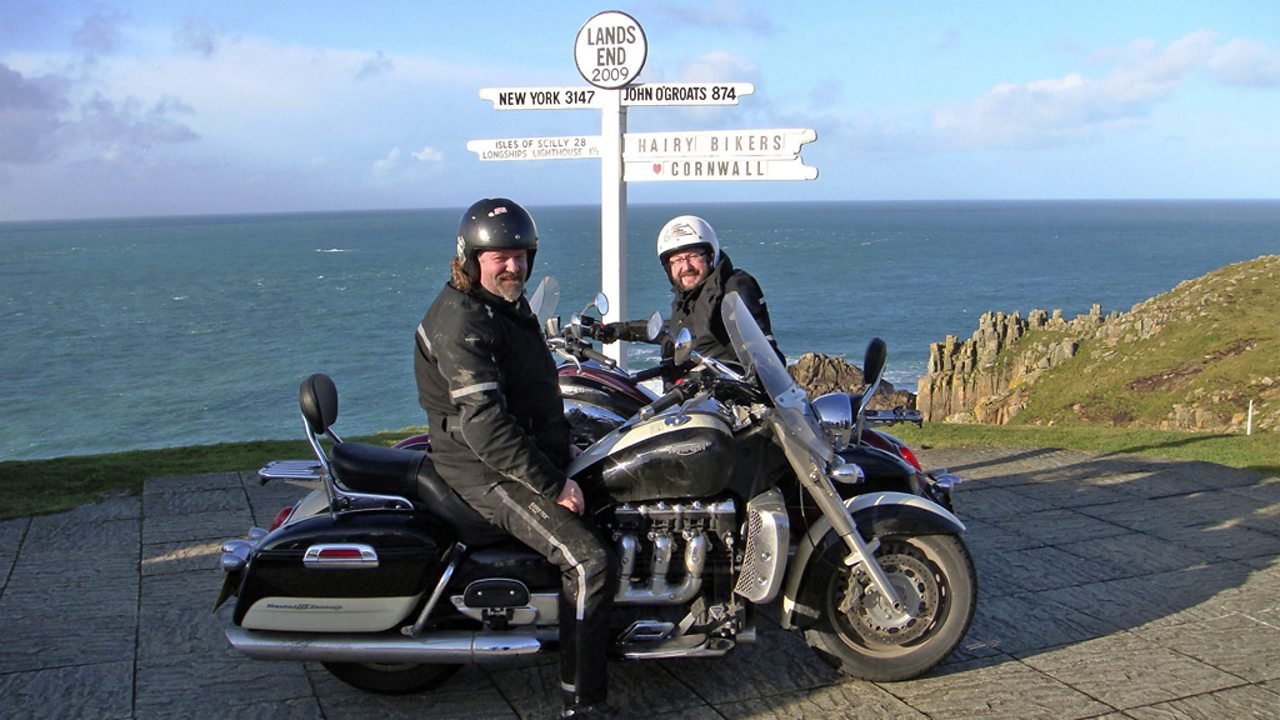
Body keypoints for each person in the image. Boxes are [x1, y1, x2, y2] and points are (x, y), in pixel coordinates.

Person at [414, 197, 616, 720]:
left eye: (521, 254)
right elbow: (484, 423)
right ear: (470, 257)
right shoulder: (462, 321)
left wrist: (566, 439)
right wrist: (551, 483)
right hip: (484, 472)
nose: (513, 265)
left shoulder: (503, 304)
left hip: (513, 454)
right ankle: (583, 702)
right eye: (499, 256)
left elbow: (528, 393)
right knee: (588, 558)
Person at [600, 214, 782, 367]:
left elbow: (760, 348)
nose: (686, 266)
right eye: (676, 260)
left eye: (693, 256)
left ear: (711, 256)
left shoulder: (734, 286)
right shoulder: (688, 299)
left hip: (725, 401)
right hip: (689, 399)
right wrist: (621, 330)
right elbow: (676, 332)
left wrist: (755, 374)